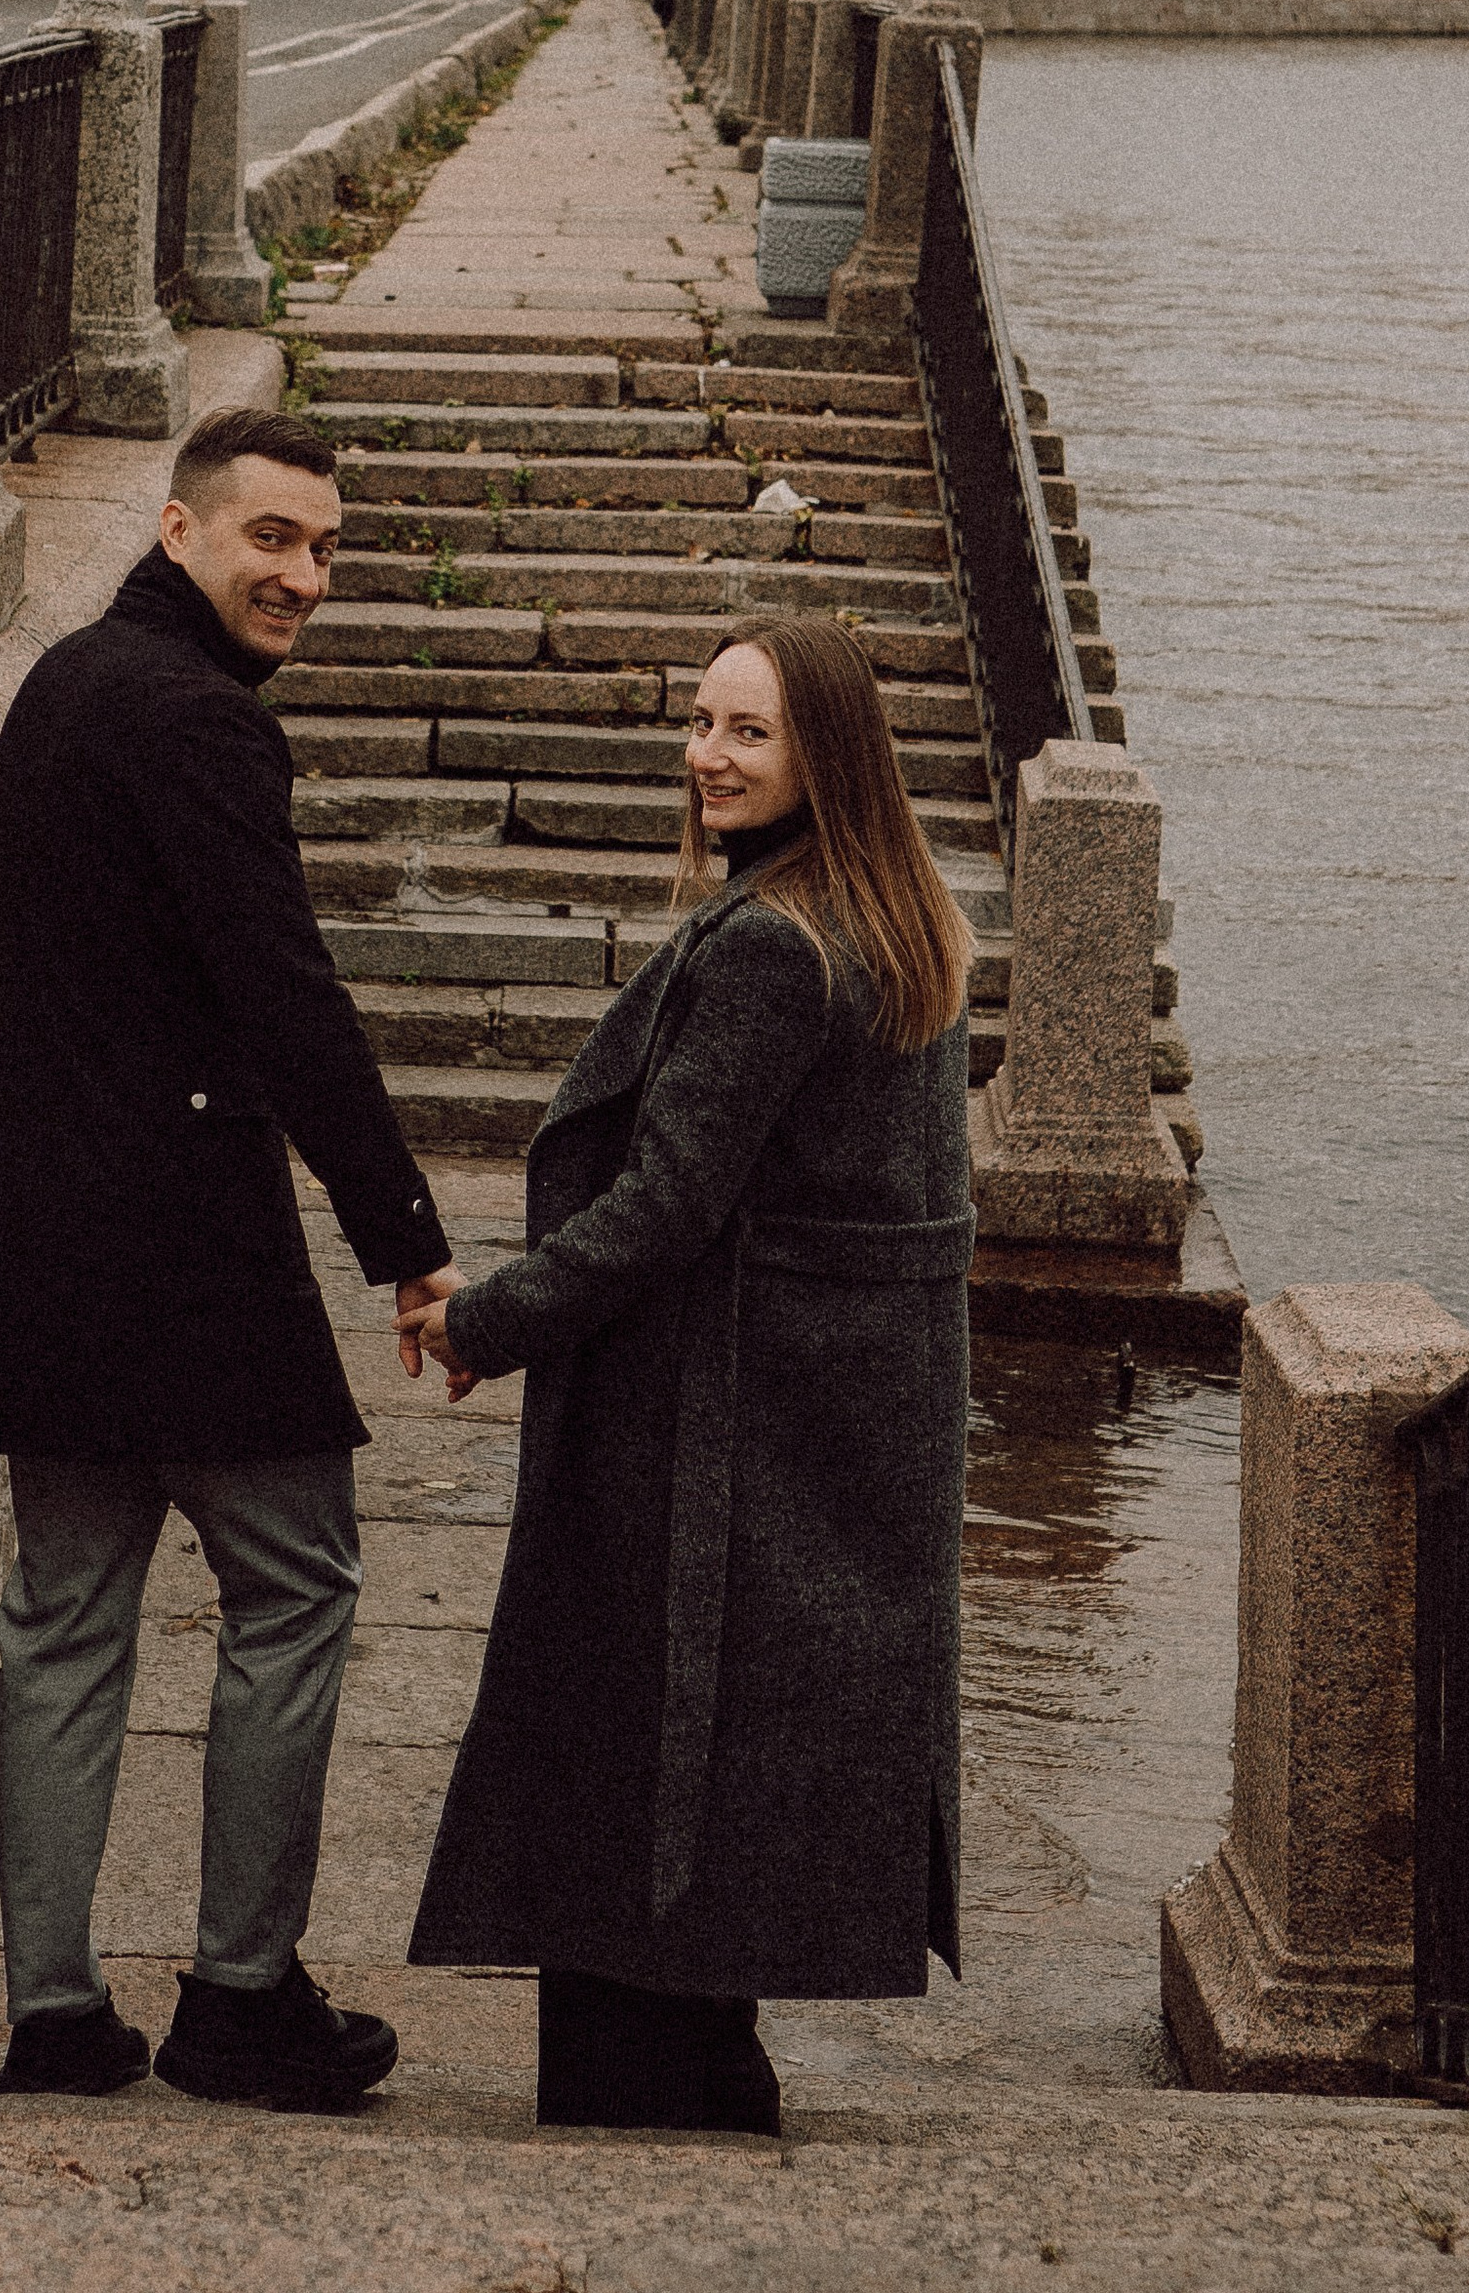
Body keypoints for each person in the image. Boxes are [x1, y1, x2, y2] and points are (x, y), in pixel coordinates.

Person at [0, 407, 461, 2110]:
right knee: (294, 1589)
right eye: (271, 541)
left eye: (324, 549)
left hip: (36, 1243)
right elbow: (283, 998)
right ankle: (241, 1996)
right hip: (185, 1258)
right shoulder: (205, 727)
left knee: (65, 1624)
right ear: (179, 532)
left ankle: (53, 2016)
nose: (303, 575)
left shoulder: (62, 687)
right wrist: (408, 1243)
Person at [403, 611, 975, 2133]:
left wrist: (488, 1320)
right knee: (721, 1790)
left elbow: (665, 1202)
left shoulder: (776, 951)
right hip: (817, 1425)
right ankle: (705, 2084)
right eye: (701, 722)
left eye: (745, 733)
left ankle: (656, 2114)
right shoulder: (895, 915)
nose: (704, 757)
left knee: (644, 1767)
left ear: (823, 758)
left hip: (712, 1428)